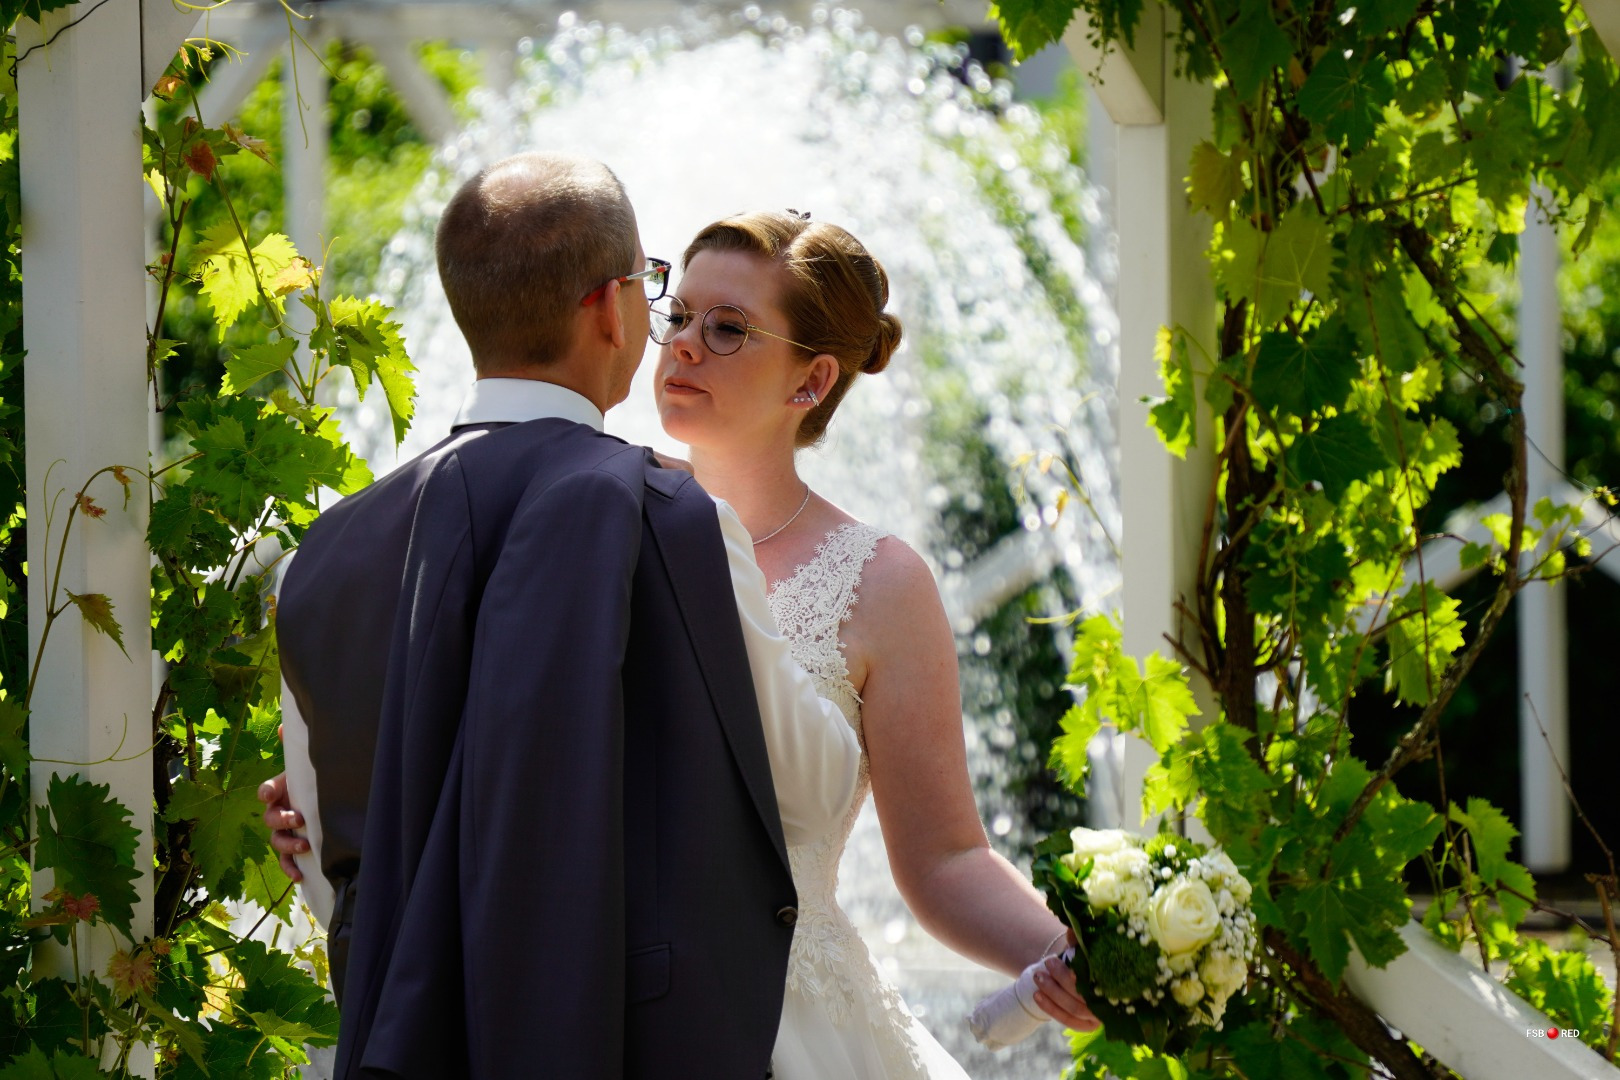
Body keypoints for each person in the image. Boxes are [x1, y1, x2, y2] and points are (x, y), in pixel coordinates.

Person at [268, 152, 877, 1080]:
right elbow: (817, 785)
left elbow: (324, 871)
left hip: (407, 1039)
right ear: (610, 306)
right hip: (625, 1043)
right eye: (653, 285)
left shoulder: (326, 554)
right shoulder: (668, 518)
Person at [643, 210, 1093, 1077]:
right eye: (681, 315)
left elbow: (946, 857)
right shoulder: (596, 509)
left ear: (811, 381)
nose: (685, 345)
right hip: (592, 1003)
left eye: (728, 328)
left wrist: (1077, 958)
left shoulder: (882, 583)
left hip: (795, 1026)